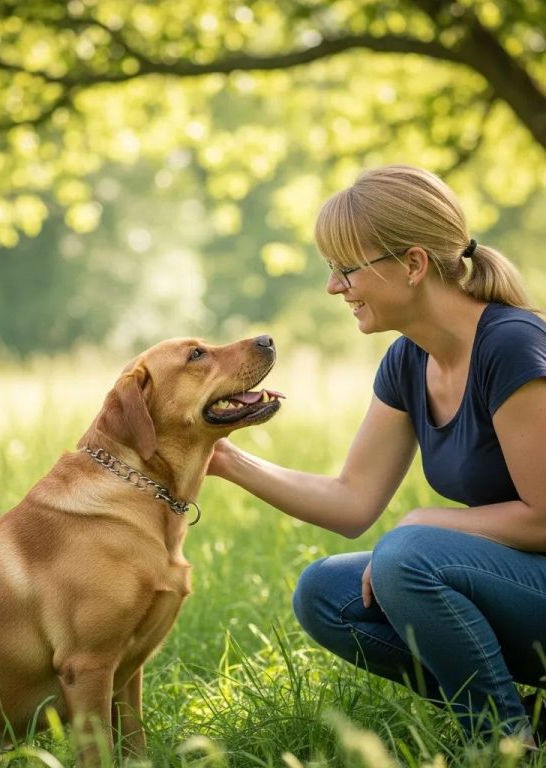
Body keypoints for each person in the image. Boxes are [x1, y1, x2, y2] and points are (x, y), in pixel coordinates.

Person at [207, 165, 546, 744]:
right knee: (324, 593)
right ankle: (526, 725)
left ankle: (499, 746)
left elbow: (543, 517)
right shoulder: (409, 361)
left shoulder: (511, 346)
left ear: (413, 265)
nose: (334, 288)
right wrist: (222, 457)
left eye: (345, 269)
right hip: (521, 585)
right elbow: (351, 501)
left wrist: (421, 524)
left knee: (406, 555)